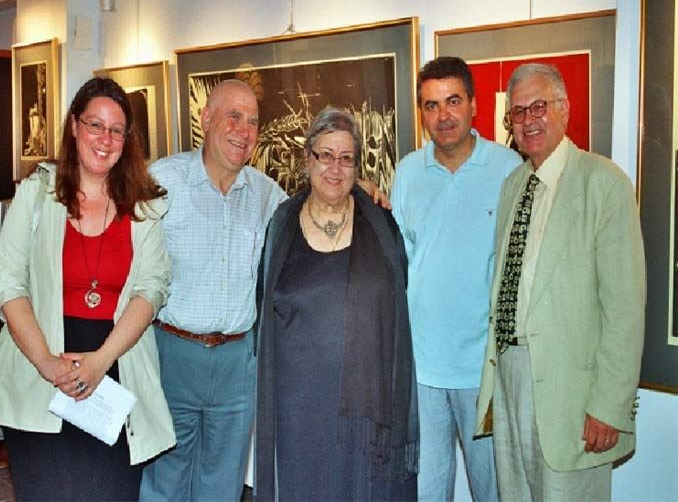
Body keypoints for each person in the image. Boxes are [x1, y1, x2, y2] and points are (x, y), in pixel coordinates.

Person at [0, 77, 176, 501]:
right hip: (39, 376)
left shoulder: (145, 206)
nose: (105, 139)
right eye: (95, 125)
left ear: (127, 140)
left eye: (116, 130)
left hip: (115, 374)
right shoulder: (36, 193)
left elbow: (151, 290)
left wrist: (100, 361)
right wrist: (46, 363)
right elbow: (8, 282)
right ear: (74, 126)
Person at [475, 63, 646, 500]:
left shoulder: (604, 183)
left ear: (564, 109)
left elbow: (625, 308)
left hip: (573, 392)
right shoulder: (513, 185)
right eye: (518, 112)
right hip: (510, 377)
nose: (528, 120)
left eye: (539, 106)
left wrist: (609, 406)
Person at [255, 108, 418, 501]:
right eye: (325, 155)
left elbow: (398, 297)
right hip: (297, 404)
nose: (335, 167)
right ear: (307, 159)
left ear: (357, 166)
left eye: (346, 158)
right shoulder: (281, 223)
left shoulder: (381, 225)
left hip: (367, 405)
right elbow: (262, 305)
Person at [140, 79, 287, 502]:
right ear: (206, 119)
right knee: (164, 483)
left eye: (253, 122)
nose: (244, 130)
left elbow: (314, 214)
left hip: (237, 365)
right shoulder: (161, 181)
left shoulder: (267, 195)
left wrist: (360, 192)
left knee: (222, 486)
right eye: (233, 117)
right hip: (172, 356)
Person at [391, 57, 520, 501]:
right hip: (422, 369)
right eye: (431, 105)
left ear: (474, 105)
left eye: (452, 101)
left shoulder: (508, 168)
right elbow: (399, 261)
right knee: (426, 491)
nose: (443, 115)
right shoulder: (408, 172)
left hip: (484, 372)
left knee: (492, 490)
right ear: (422, 113)